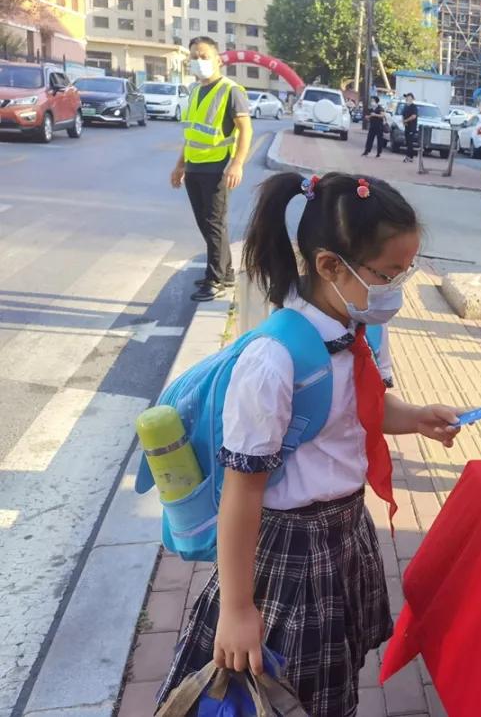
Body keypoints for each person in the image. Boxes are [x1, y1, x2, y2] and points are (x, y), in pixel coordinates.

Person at [156, 172, 461, 716]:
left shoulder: (359, 327)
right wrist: (237, 608)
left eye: (405, 272)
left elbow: (358, 409)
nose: (397, 288)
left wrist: (415, 418)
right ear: (329, 266)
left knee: (331, 680)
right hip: (291, 552)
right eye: (389, 274)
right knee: (282, 690)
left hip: (344, 531)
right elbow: (242, 491)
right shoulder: (273, 361)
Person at [170, 37, 252, 302]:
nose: (199, 61)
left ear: (218, 60)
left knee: (215, 224)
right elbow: (191, 134)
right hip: (194, 167)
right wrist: (180, 165)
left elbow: (246, 129)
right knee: (205, 223)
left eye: (204, 56)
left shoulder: (231, 90)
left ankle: (215, 279)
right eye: (194, 56)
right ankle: (225, 272)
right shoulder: (195, 91)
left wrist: (237, 164)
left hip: (217, 167)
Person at [401, 92, 418, 163]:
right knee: (408, 142)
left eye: (409, 98)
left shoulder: (414, 107)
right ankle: (411, 157)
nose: (408, 99)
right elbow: (403, 115)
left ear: (412, 99)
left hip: (412, 127)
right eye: (407, 98)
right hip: (406, 127)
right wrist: (403, 121)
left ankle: (408, 156)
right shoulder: (405, 107)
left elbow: (414, 116)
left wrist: (406, 120)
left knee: (410, 142)